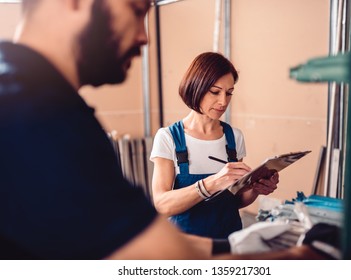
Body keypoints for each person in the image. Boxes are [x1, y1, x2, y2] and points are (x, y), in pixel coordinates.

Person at [0, 0, 328, 260]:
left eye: (228, 93)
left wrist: (242, 237)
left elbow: (134, 240)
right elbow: (150, 252)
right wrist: (297, 257)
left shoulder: (36, 99)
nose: (145, 36)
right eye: (136, 9)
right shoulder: (37, 115)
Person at [150, 52, 279, 238]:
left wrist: (255, 190)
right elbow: (162, 205)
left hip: (228, 241)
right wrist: (213, 183)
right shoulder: (168, 137)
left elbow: (235, 201)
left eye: (229, 93)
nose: (223, 102)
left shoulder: (234, 137)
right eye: (215, 92)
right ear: (196, 87)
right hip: (187, 248)